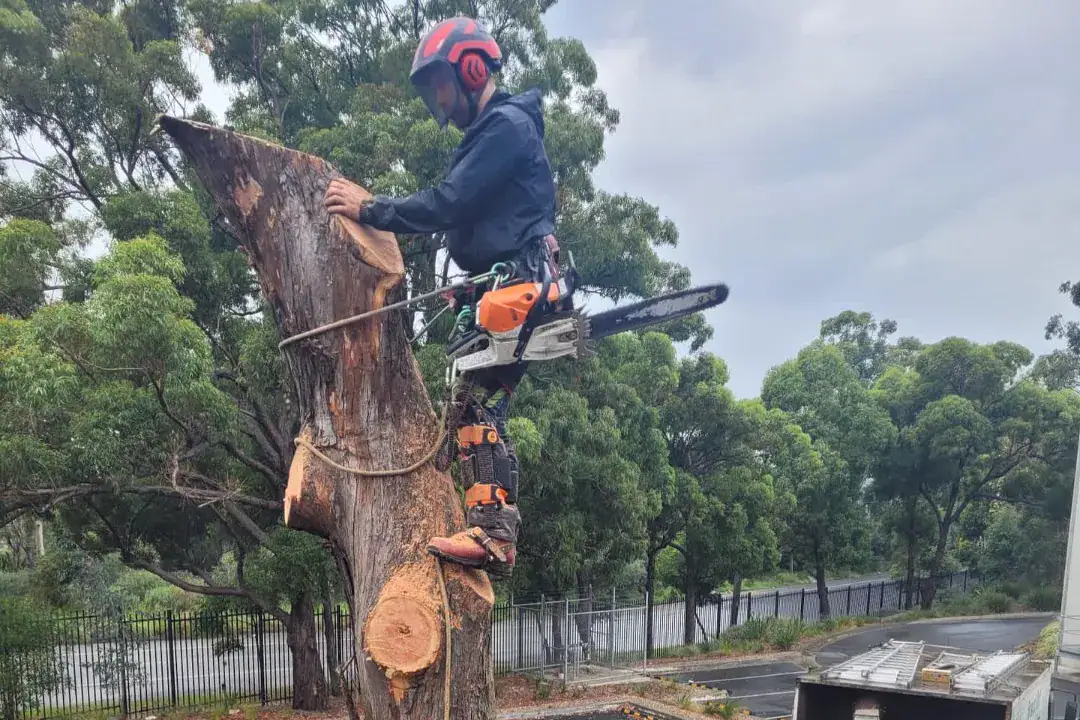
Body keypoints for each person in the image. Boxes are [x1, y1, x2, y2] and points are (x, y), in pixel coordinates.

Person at [323, 15, 558, 582]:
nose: (439, 102)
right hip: (504, 285)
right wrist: (471, 287)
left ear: (471, 69)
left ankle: (496, 534)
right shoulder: (491, 135)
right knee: (469, 407)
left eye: (441, 86)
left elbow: (448, 203)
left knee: (477, 405)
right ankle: (480, 516)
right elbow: (483, 223)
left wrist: (372, 208)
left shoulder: (506, 127)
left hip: (524, 283)